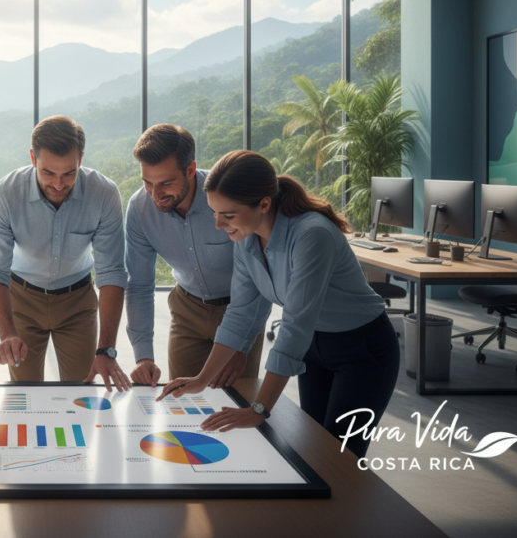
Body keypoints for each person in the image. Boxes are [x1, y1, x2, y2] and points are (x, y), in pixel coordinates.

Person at [158, 150, 399, 457]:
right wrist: (201, 380)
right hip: (314, 349)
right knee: (315, 447)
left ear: (263, 204)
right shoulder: (246, 238)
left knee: (342, 457)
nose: (218, 225)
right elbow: (240, 314)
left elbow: (295, 325)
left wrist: (259, 408)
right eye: (214, 213)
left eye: (228, 215)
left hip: (363, 350)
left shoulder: (312, 235)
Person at [0, 115, 130, 390]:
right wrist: (6, 334)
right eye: (48, 173)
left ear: (81, 160)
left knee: (80, 392)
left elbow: (111, 273)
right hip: (22, 301)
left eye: (69, 173)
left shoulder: (104, 194)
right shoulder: (4, 194)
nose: (59, 184)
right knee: (25, 394)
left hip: (78, 302)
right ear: (32, 158)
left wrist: (107, 349)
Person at [125, 124, 267, 388]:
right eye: (147, 182)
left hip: (238, 307)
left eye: (165, 183)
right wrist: (142, 355)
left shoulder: (229, 197)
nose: (155, 195)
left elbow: (259, 279)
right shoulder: (139, 209)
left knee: (235, 402)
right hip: (186, 310)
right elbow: (140, 286)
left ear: (190, 170)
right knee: (183, 400)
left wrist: (243, 344)